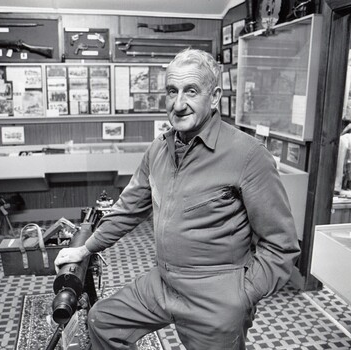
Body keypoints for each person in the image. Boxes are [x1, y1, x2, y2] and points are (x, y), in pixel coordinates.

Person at [55, 48, 300, 350]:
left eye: (191, 91)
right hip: (164, 281)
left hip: (216, 296)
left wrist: (241, 296)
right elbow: (128, 209)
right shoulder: (158, 150)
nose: (179, 104)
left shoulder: (249, 155)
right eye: (172, 91)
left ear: (214, 97)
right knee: (103, 321)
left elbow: (281, 245)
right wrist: (86, 248)